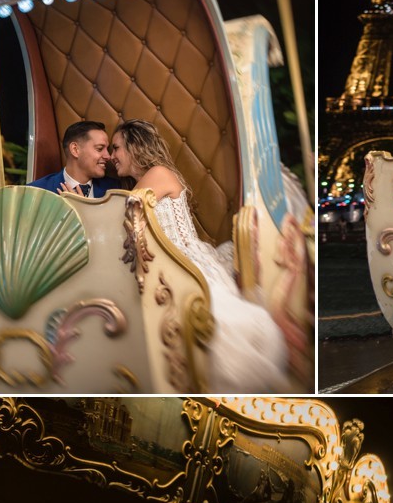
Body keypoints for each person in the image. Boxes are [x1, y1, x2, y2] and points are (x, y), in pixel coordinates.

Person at [109, 119, 289, 391]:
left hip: (180, 259)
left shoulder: (157, 174)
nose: (112, 156)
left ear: (135, 147)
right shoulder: (145, 180)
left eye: (116, 148)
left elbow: (124, 215)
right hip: (160, 260)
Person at [27, 121, 121, 197]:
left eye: (107, 149)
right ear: (75, 150)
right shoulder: (36, 192)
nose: (108, 156)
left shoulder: (116, 190)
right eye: (99, 149)